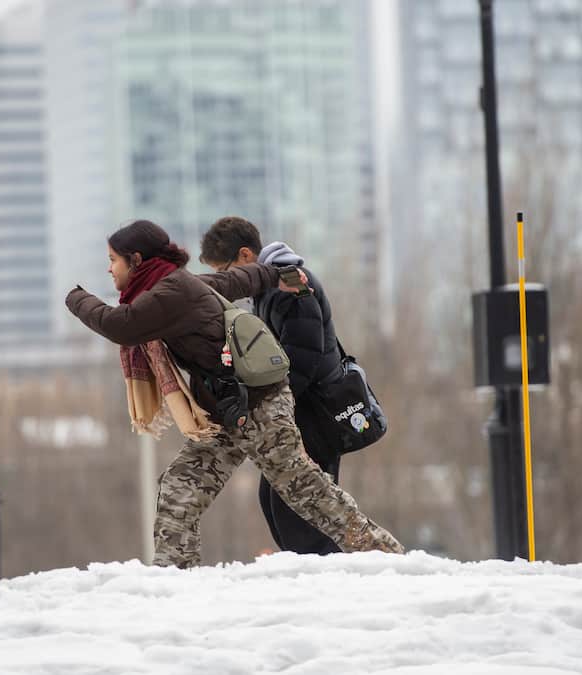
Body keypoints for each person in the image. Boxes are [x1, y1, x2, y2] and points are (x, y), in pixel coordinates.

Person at [64, 220, 403, 568]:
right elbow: (238, 280)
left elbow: (119, 326)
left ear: (136, 260)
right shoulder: (177, 286)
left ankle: (386, 558)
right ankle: (176, 585)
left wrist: (75, 297)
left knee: (306, 492)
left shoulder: (170, 293)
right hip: (227, 410)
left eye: (113, 260)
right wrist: (279, 276)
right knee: (180, 490)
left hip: (261, 405)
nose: (109, 268)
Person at [200, 216, 344, 556]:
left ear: (246, 256)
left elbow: (303, 357)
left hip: (313, 410)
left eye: (224, 270)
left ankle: (326, 575)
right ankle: (312, 572)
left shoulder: (289, 287)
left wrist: (265, 401)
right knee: (276, 498)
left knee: (300, 504)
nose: (225, 281)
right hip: (301, 408)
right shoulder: (267, 290)